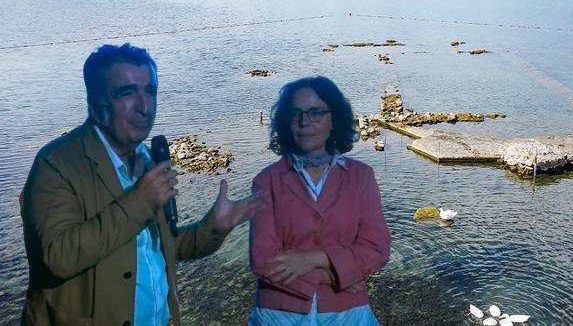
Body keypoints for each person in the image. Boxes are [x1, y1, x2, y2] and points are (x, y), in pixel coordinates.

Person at [19, 43, 263, 325]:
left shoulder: (145, 159)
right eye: (127, 93)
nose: (144, 106)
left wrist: (214, 227)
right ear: (95, 102)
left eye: (150, 91)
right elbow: (57, 256)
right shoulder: (56, 163)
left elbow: (158, 248)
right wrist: (141, 201)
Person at [248, 76, 391, 325]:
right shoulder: (266, 181)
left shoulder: (361, 177)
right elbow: (262, 260)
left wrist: (314, 259)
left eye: (315, 113)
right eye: (296, 114)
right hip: (278, 315)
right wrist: (334, 276)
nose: (304, 123)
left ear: (333, 119)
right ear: (286, 121)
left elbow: (377, 248)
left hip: (348, 315)